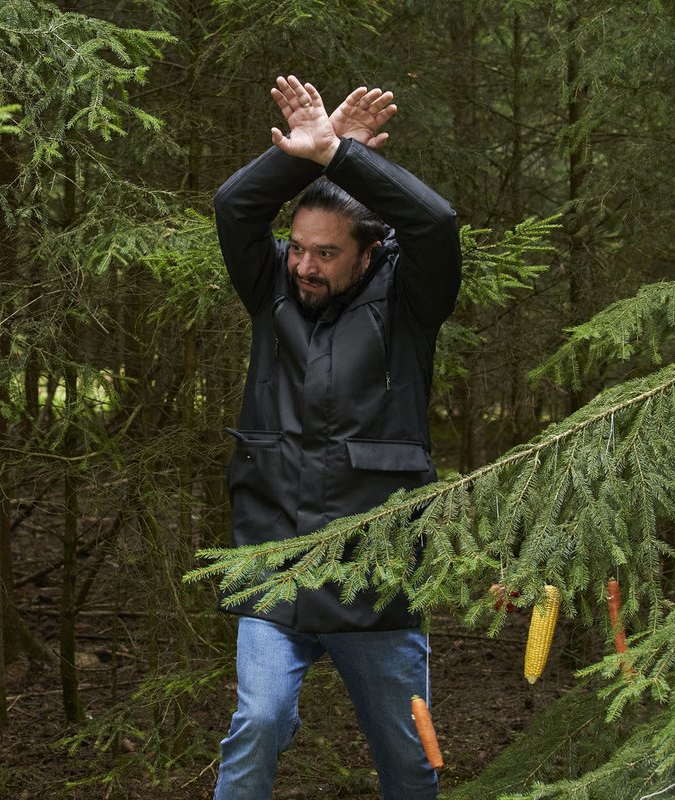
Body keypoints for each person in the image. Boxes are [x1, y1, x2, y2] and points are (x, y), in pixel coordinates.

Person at [211, 75, 462, 799]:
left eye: (325, 254)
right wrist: (309, 153)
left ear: (368, 252)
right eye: (298, 249)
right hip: (275, 562)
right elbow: (236, 205)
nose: (305, 266)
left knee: (409, 760)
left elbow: (436, 224)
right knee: (258, 722)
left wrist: (346, 158)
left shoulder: (413, 303)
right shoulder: (272, 291)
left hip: (375, 579)